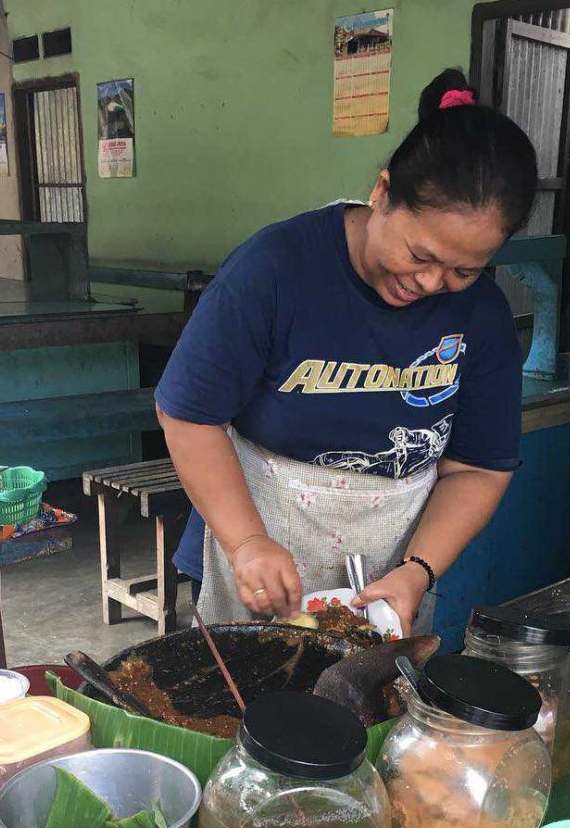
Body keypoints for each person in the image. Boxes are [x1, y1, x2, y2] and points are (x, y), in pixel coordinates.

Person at [155, 68, 538, 635]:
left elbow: (477, 468)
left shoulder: (481, 314)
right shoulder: (276, 271)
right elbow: (189, 415)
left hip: (392, 576)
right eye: (420, 254)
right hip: (257, 547)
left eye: (464, 270)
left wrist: (419, 570)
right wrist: (249, 542)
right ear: (381, 192)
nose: (432, 283)